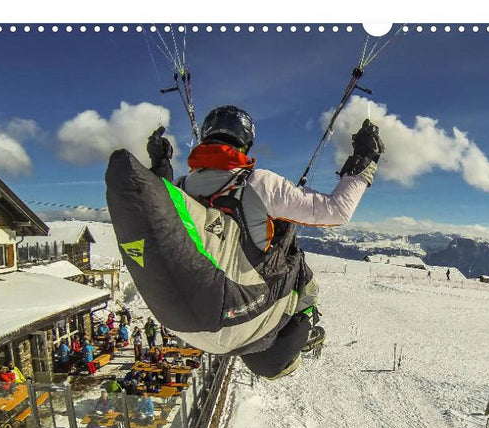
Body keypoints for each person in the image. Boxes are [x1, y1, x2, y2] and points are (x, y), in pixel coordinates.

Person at [113, 104, 382, 380]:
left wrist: (160, 173)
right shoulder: (260, 184)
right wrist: (365, 159)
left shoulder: (179, 187)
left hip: (189, 327)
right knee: (293, 257)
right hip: (247, 318)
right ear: (245, 143)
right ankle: (304, 323)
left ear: (205, 138)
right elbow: (337, 211)